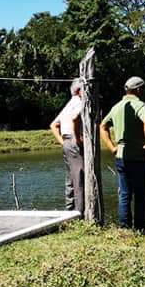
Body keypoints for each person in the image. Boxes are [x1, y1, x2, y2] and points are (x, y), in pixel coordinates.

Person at [100, 76, 145, 231]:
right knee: (141, 195)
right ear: (137, 90)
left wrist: (112, 147)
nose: (144, 92)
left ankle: (124, 228)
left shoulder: (117, 107)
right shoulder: (140, 105)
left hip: (121, 157)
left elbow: (103, 126)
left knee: (124, 194)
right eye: (143, 89)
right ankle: (140, 229)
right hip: (138, 157)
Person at [50, 78, 85, 213]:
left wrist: (63, 142)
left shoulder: (69, 104)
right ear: (78, 91)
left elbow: (53, 125)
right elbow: (75, 119)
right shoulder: (80, 103)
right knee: (79, 178)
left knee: (70, 178)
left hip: (67, 143)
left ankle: (69, 210)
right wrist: (77, 139)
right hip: (74, 143)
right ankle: (80, 213)